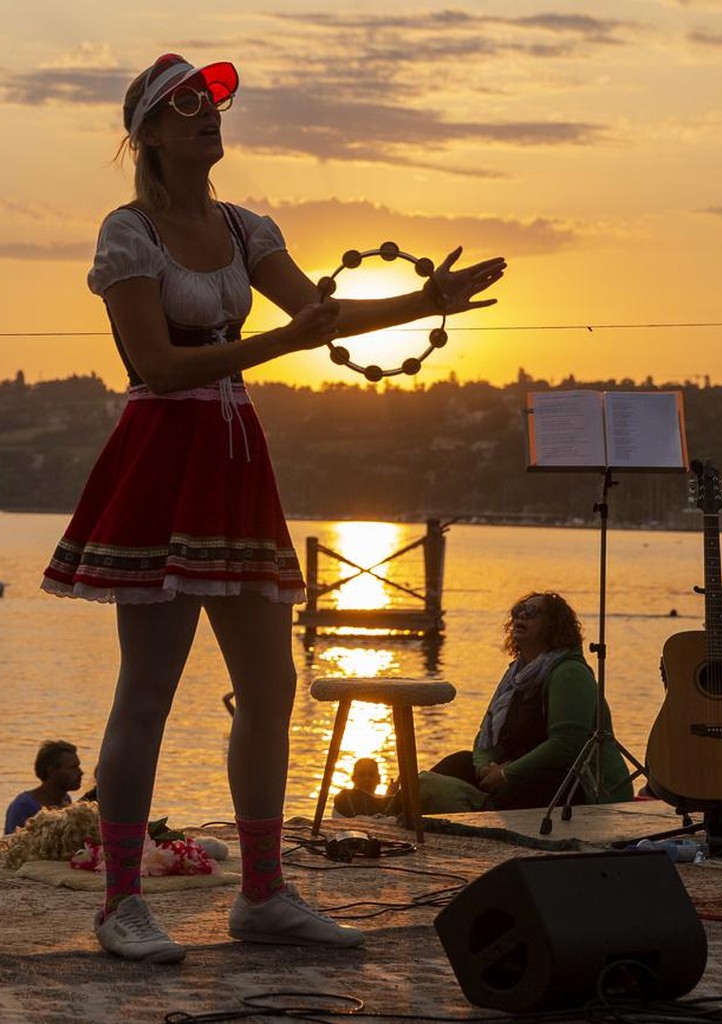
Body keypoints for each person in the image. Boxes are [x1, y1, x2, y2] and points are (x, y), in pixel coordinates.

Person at [39, 52, 506, 964]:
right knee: (148, 691)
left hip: (234, 455)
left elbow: (316, 320)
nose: (209, 113)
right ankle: (120, 904)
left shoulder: (248, 226)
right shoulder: (127, 232)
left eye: (213, 101)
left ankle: (262, 893)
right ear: (150, 134)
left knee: (271, 686)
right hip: (164, 457)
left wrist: (428, 299)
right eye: (188, 105)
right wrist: (270, 343)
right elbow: (155, 367)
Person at [430, 593, 633, 810]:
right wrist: (483, 769)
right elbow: (485, 737)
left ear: (554, 625)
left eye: (534, 612)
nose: (523, 615)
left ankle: (471, 811)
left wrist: (508, 772)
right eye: (519, 610)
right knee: (458, 763)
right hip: (519, 769)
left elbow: (565, 746)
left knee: (518, 788)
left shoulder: (570, 673)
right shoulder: (515, 675)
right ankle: (406, 802)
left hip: (578, 782)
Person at [4, 740, 85, 834]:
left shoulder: (65, 800)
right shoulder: (24, 807)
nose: (80, 773)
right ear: (51, 771)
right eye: (73, 768)